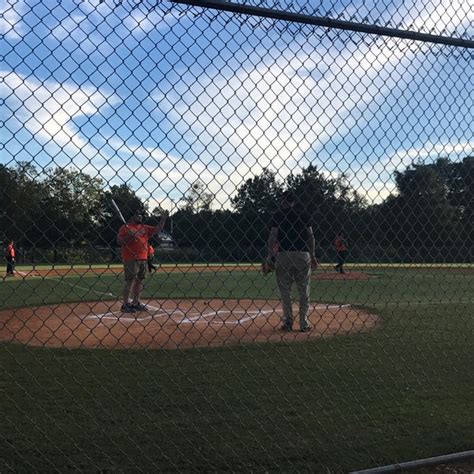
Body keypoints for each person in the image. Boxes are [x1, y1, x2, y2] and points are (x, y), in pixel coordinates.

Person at [266, 191, 318, 332]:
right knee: (304, 290)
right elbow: (311, 237)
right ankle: (304, 323)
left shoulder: (278, 215)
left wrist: (270, 255)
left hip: (284, 254)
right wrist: (313, 255)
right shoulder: (304, 214)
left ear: (284, 201)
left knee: (285, 290)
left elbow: (272, 236)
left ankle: (288, 321)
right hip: (302, 254)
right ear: (294, 201)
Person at [117, 209, 168, 313]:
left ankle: (135, 303)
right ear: (132, 217)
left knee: (140, 281)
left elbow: (157, 229)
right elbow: (119, 241)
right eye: (137, 215)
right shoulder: (125, 228)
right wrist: (130, 236)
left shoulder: (144, 227)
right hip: (130, 257)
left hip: (143, 257)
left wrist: (163, 219)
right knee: (130, 281)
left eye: (141, 215)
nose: (140, 216)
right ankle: (125, 304)